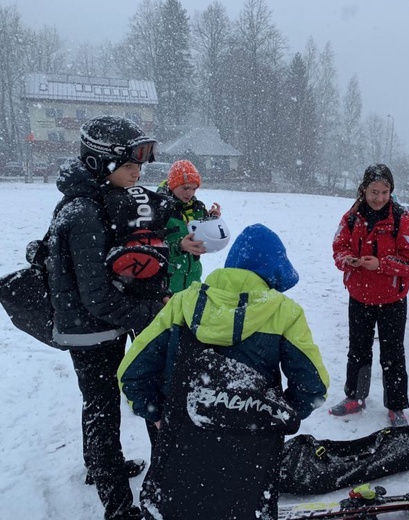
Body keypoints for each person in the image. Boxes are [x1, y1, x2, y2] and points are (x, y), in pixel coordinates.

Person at [118, 223, 329, 520]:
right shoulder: (284, 312)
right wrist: (276, 418)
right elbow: (313, 387)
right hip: (252, 452)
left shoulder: (182, 303)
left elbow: (133, 372)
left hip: (181, 440)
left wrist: (156, 414)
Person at [47, 115, 169, 520]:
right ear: (100, 164)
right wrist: (148, 313)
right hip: (90, 331)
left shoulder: (96, 199)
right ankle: (117, 505)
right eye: (130, 165)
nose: (139, 172)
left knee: (98, 405)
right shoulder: (82, 213)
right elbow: (96, 296)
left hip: (100, 325)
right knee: (102, 410)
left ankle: (98, 468)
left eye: (141, 164)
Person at [330, 163, 409, 427]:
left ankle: (395, 407)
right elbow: (338, 248)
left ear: (391, 191)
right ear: (363, 189)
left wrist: (381, 265)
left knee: (393, 354)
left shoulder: (404, 220)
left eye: (385, 192)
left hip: (392, 300)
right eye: (374, 191)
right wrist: (347, 259)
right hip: (359, 297)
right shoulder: (351, 217)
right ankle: (355, 397)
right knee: (357, 351)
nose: (379, 198)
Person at [157, 159, 222, 292]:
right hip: (168, 283)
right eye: (185, 188)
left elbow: (203, 232)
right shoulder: (158, 209)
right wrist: (179, 246)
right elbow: (153, 250)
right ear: (172, 185)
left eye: (194, 188)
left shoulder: (197, 207)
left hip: (193, 279)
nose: (190, 193)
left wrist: (211, 219)